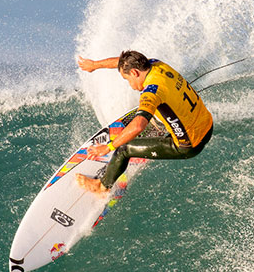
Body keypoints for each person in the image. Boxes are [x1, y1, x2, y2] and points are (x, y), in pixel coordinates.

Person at [75, 50, 213, 196]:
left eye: (127, 79)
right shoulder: (156, 64)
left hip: (189, 145)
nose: (130, 85)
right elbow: (122, 62)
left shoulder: (151, 92)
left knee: (123, 148)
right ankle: (154, 131)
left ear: (134, 72)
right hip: (207, 124)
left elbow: (138, 125)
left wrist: (108, 147)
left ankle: (102, 186)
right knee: (156, 113)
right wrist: (95, 65)